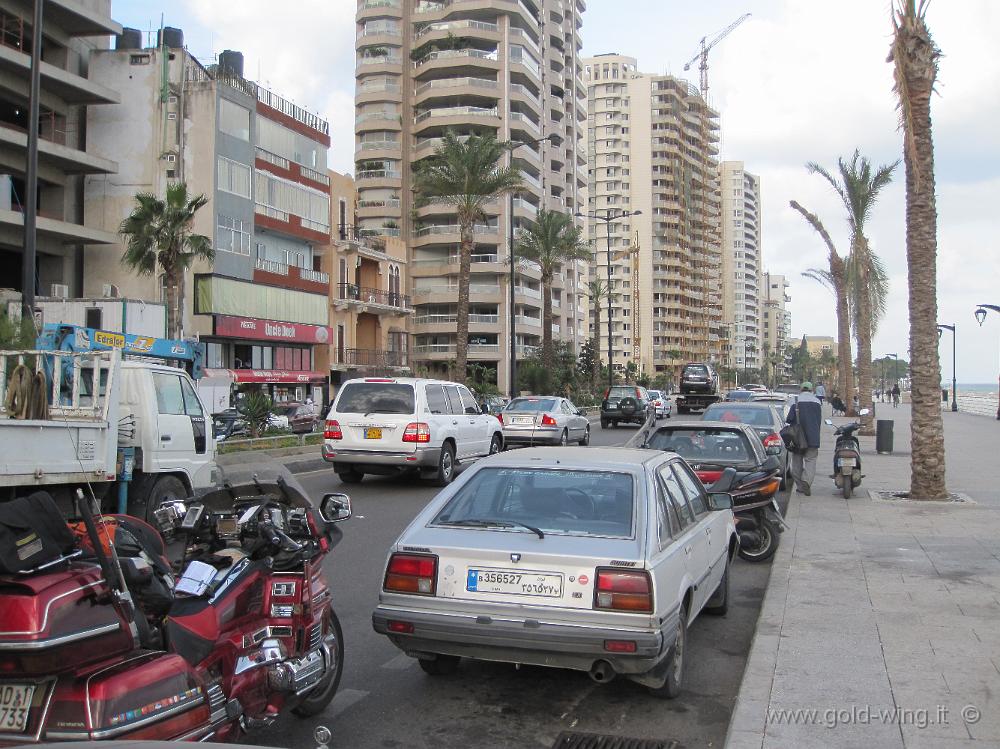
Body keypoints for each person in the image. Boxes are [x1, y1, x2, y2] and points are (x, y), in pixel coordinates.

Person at [785, 381, 823, 496]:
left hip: (797, 439)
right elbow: (818, 420)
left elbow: (789, 419)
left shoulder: (794, 401)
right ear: (812, 390)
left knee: (796, 462)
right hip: (813, 438)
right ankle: (807, 481)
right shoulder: (817, 402)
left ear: (801, 390)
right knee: (811, 461)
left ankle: (800, 486)